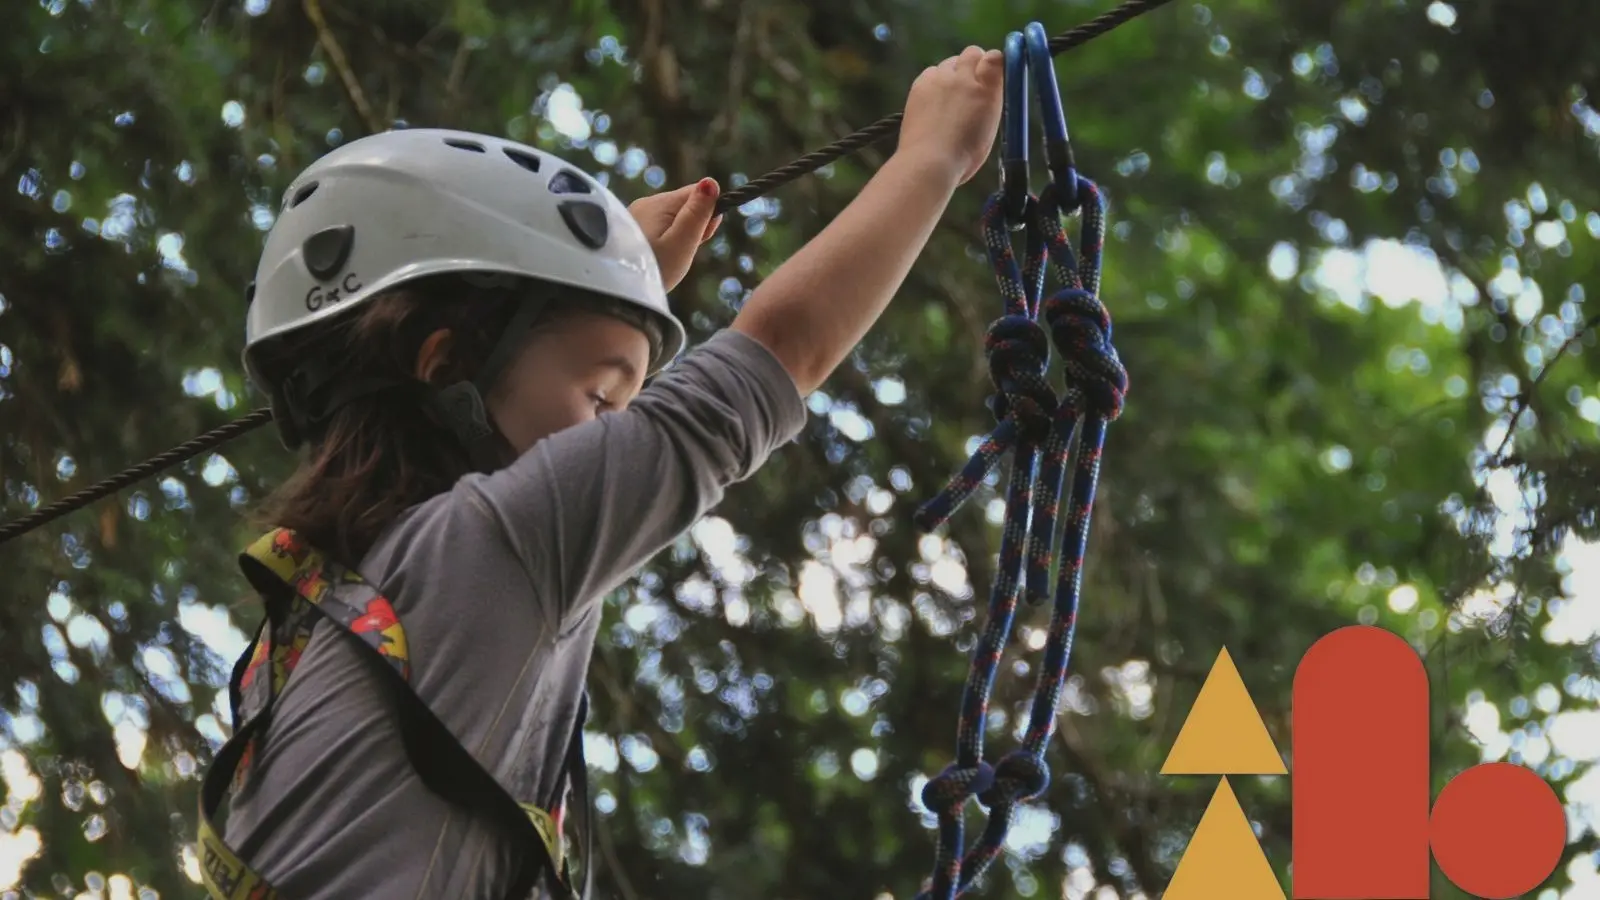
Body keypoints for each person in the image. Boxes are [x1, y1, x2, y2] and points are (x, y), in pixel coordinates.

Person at [201, 45, 1004, 900]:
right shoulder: (496, 542)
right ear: (445, 368)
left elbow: (543, 408)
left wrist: (605, 282)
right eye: (603, 398)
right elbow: (778, 354)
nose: (619, 432)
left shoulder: (331, 620)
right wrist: (933, 159)